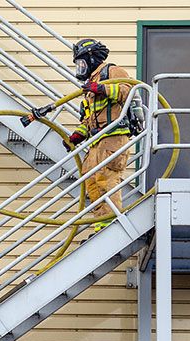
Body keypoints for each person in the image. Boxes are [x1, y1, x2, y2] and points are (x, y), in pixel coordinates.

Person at [68, 38, 133, 233]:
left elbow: (127, 91)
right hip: (97, 140)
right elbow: (89, 118)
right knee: (91, 180)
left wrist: (103, 88)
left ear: (91, 58)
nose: (80, 67)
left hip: (113, 136)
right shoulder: (91, 84)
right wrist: (77, 136)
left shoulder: (111, 72)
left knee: (107, 178)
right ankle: (101, 224)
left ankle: (111, 223)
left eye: (82, 62)